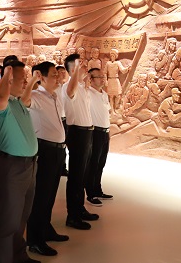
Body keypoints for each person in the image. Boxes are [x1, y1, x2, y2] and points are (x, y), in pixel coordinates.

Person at [0, 58, 38, 263]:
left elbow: (25, 95)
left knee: (21, 216)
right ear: (9, 81)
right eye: (22, 79)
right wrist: (7, 72)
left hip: (29, 165)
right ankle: (4, 260)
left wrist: (31, 81)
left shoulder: (17, 102)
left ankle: (18, 255)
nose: (26, 82)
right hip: (13, 166)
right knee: (9, 219)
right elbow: (0, 94)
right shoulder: (1, 105)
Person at [22, 62, 68, 257]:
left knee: (50, 195)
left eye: (58, 74)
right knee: (40, 197)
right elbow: (23, 101)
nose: (58, 77)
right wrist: (33, 80)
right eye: (53, 74)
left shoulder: (54, 96)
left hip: (58, 151)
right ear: (42, 77)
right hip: (45, 151)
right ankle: (34, 240)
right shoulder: (36, 95)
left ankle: (46, 228)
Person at [62, 53, 99, 230]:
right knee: (76, 176)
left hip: (87, 133)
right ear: (72, 69)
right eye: (80, 65)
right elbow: (70, 91)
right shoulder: (68, 87)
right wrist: (77, 71)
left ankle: (80, 208)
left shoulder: (83, 88)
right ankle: (73, 215)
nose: (85, 67)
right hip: (77, 133)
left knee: (83, 174)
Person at [85, 68, 113, 206]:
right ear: (91, 79)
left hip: (105, 132)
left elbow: (107, 113)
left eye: (103, 76)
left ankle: (98, 189)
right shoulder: (87, 93)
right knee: (93, 163)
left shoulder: (104, 94)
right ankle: (90, 193)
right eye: (99, 77)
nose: (102, 79)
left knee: (101, 162)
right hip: (95, 132)